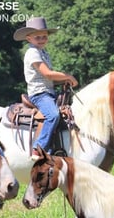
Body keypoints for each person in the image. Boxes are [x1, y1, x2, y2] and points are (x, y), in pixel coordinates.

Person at [13, 17, 78, 160]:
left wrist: (62, 82)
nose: (42, 39)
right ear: (29, 38)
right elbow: (47, 74)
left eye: (44, 36)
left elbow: (47, 78)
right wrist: (68, 76)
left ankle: (59, 149)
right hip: (39, 93)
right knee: (53, 115)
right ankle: (38, 147)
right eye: (38, 37)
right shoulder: (33, 53)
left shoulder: (43, 53)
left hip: (48, 92)